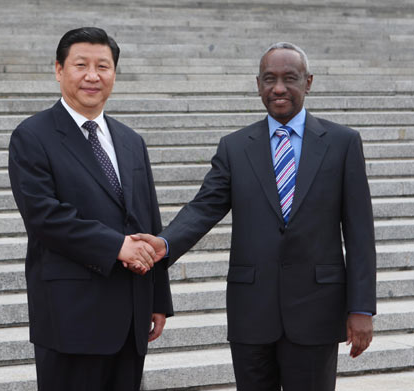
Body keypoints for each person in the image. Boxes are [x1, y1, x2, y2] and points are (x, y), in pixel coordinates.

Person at [133, 42, 376, 390]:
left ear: (308, 82)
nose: (278, 88)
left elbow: (360, 233)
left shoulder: (342, 143)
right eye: (269, 79)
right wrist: (164, 243)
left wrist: (362, 308)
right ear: (258, 84)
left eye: (289, 78)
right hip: (252, 311)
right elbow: (204, 207)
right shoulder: (235, 147)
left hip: (317, 310)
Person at [8, 27, 173, 391]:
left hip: (131, 313)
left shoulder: (131, 140)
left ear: (114, 73)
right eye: (80, 65)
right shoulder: (32, 136)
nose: (92, 76)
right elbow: (44, 216)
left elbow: (150, 219)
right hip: (71, 315)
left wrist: (158, 298)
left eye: (103, 66)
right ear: (58, 70)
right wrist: (117, 246)